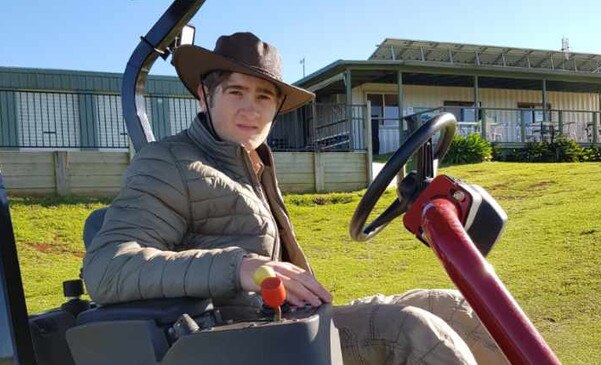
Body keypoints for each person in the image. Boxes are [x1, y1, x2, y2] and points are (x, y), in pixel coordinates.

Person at [83, 32, 507, 364]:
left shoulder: (251, 163)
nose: (251, 109)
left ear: (277, 106)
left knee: (453, 305)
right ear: (204, 95)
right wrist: (242, 267)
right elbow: (106, 268)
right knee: (413, 330)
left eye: (263, 96)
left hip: (291, 325)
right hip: (243, 342)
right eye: (236, 92)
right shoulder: (169, 162)